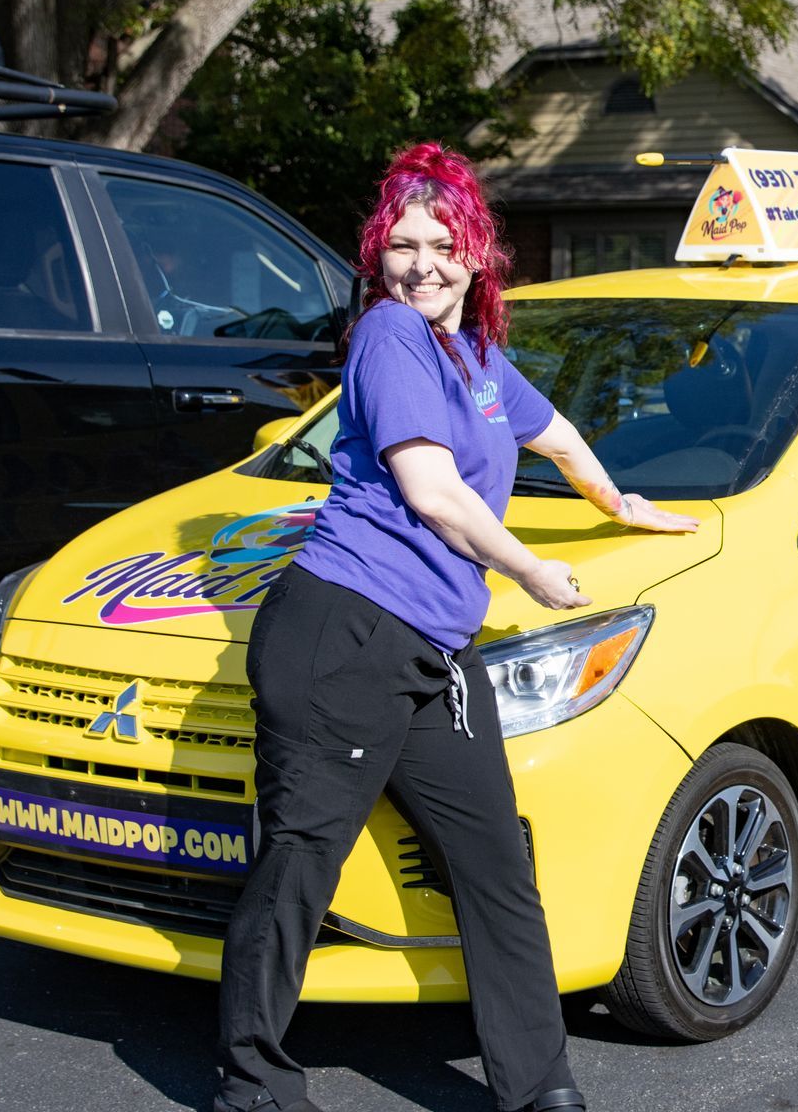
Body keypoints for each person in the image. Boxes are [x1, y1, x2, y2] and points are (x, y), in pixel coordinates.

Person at [214, 144, 697, 1112]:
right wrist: (529, 567)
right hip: (345, 631)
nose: (422, 262)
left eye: (443, 243)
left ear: (478, 256)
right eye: (402, 244)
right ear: (376, 256)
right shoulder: (390, 335)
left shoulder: (473, 354)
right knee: (302, 858)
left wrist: (619, 499)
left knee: (494, 861)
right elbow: (433, 492)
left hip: (432, 648)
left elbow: (550, 430)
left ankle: (538, 1082)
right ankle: (252, 1082)